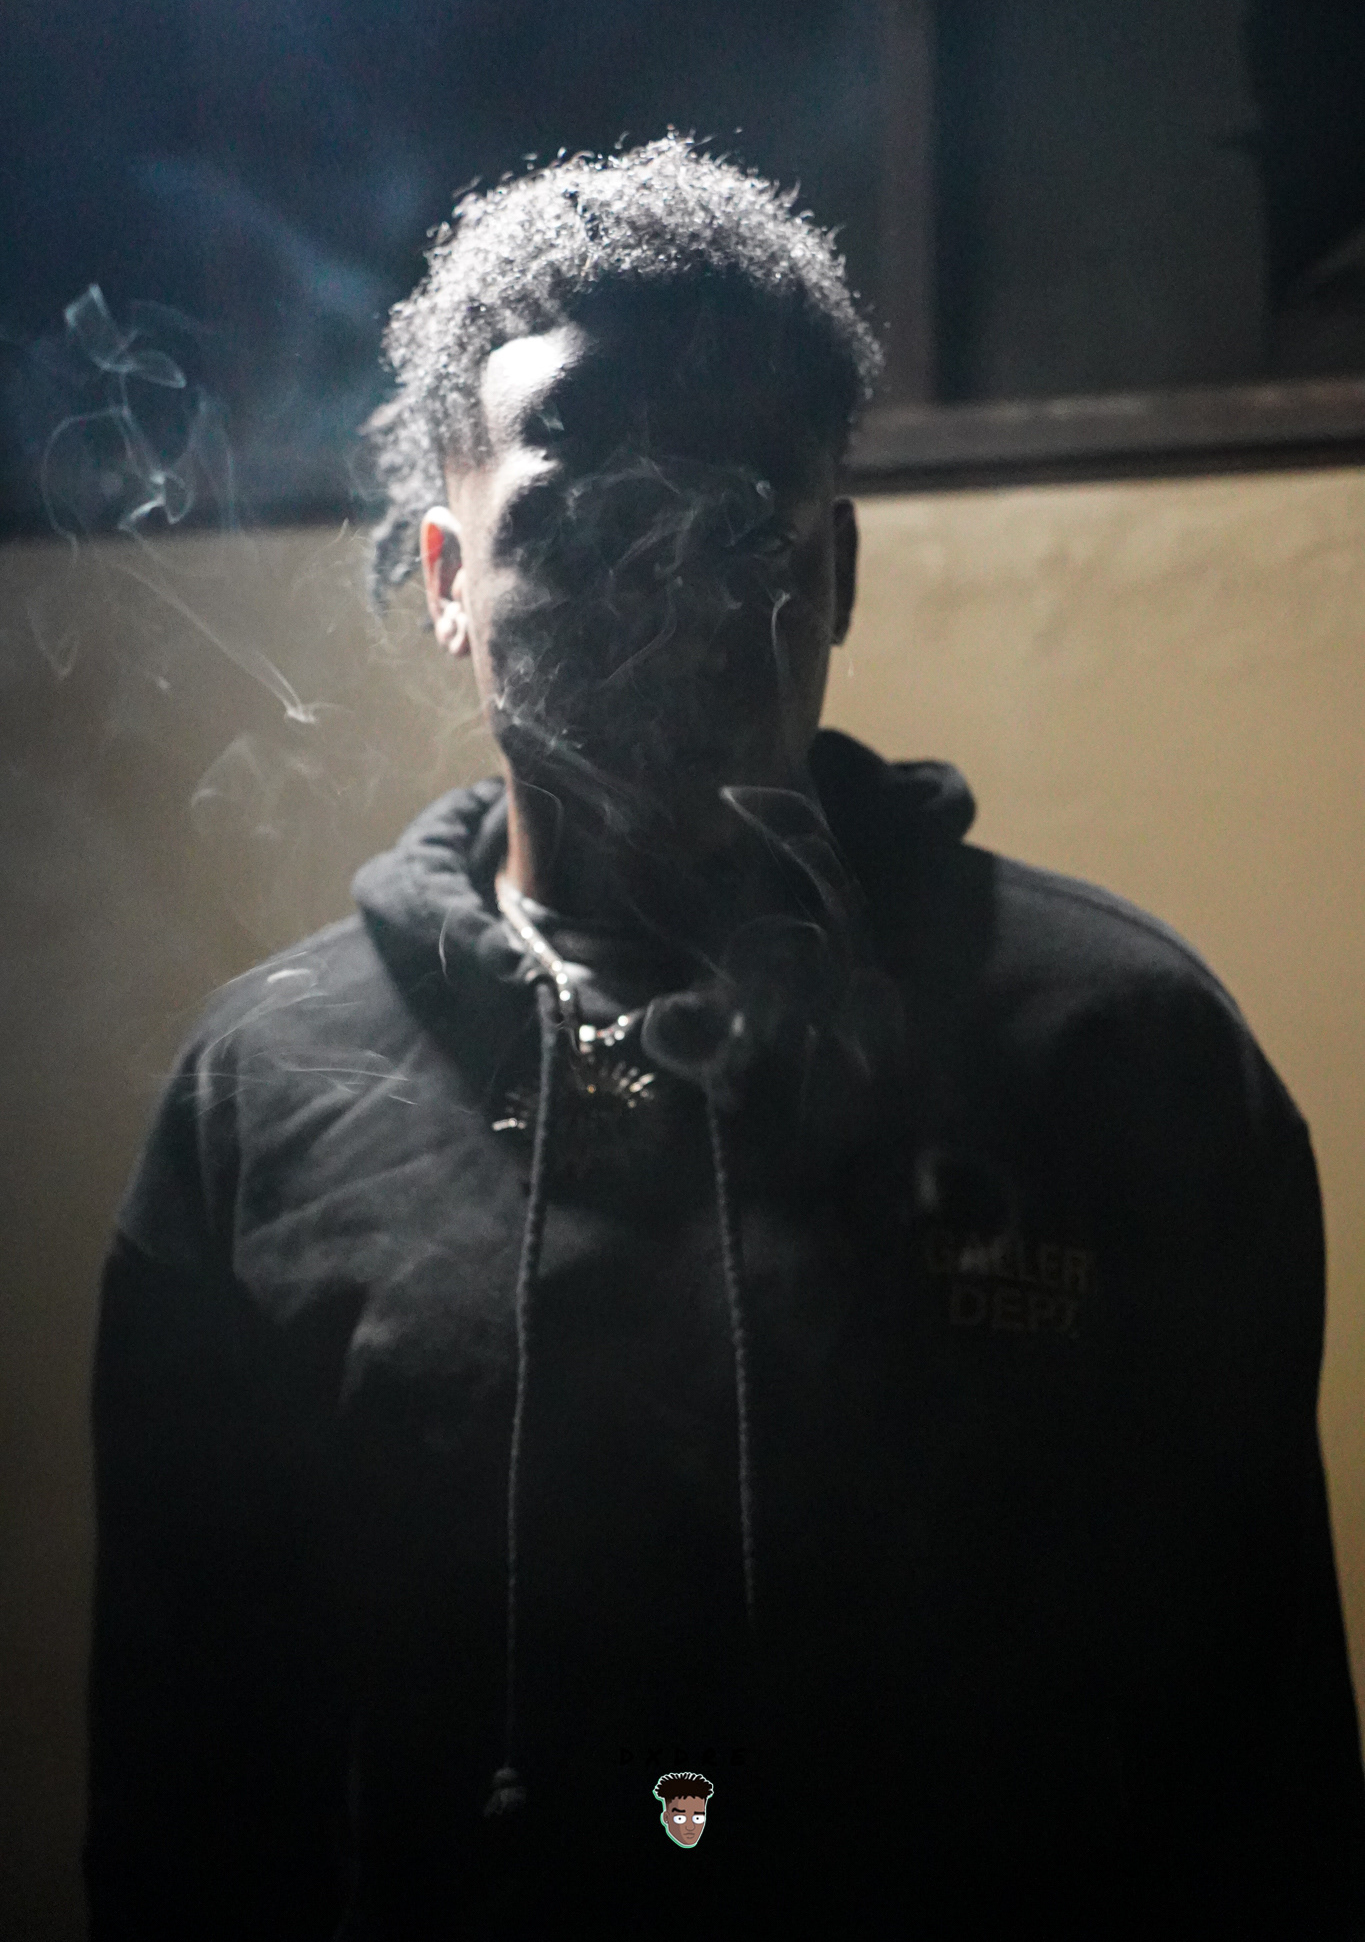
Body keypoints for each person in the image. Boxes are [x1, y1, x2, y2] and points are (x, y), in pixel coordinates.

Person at [86, 135, 1365, 1941]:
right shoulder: (260, 1100)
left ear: (833, 571)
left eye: (734, 513)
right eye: (575, 517)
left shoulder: (1124, 1055)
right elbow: (188, 1799)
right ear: (445, 578)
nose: (661, 581)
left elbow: (1259, 1778)